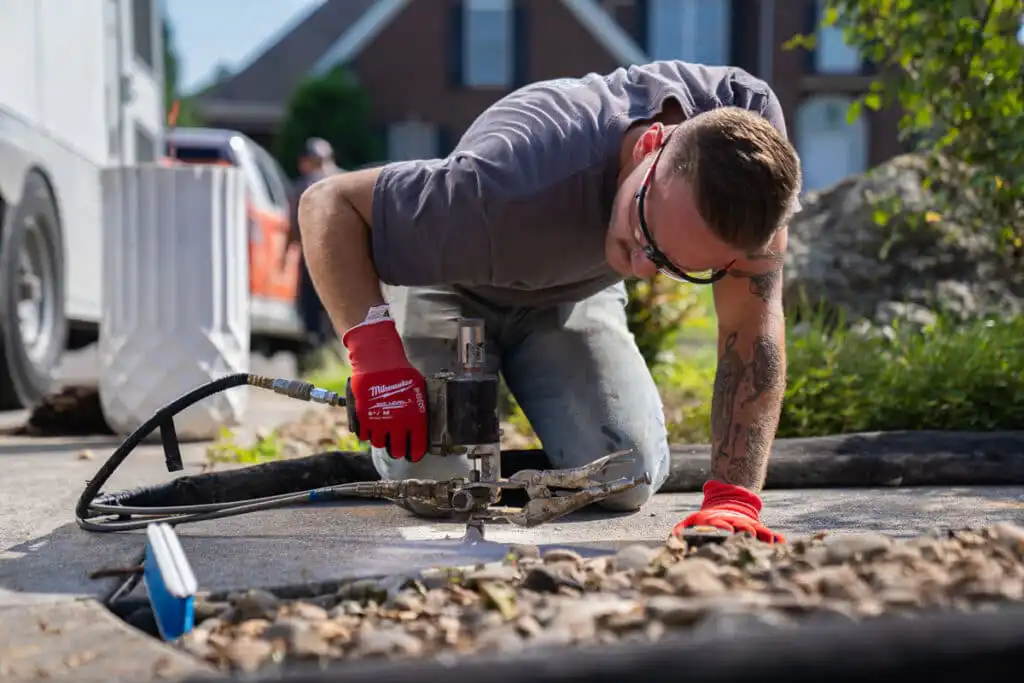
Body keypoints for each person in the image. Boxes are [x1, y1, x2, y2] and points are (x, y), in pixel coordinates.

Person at [297, 61, 802, 544]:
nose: (646, 270)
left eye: (677, 265)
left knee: (625, 475)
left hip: (577, 290)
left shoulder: (750, 153)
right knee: (438, 487)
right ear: (648, 147)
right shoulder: (499, 181)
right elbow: (328, 204)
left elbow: (749, 322)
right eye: (644, 234)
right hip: (454, 282)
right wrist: (377, 358)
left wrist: (734, 499)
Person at [288, 138, 342, 364]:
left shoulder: (304, 186)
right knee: (334, 305)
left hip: (313, 255)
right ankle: (332, 353)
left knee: (311, 308)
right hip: (340, 257)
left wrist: (287, 252)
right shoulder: (344, 180)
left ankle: (317, 354)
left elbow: (293, 225)